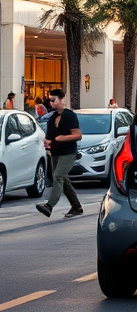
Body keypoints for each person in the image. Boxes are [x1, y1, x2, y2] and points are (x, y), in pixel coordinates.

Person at [37, 89, 84, 219]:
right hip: (56, 152)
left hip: (68, 153)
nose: (51, 103)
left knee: (58, 177)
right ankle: (76, 207)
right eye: (50, 100)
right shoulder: (52, 118)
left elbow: (78, 135)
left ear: (62, 100)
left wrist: (61, 138)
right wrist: (48, 143)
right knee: (63, 179)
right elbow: (51, 137)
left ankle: (49, 206)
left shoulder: (70, 115)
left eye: (54, 100)